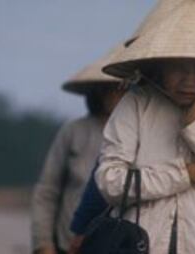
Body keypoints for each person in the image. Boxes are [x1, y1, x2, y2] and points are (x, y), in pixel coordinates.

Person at [75, 1, 195, 253]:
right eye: (178, 67)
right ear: (160, 66)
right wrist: (187, 175)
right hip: (141, 245)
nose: (189, 79)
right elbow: (110, 182)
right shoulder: (136, 105)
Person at [31, 46, 126, 254]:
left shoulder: (138, 135)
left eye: (122, 88)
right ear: (98, 92)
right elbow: (47, 190)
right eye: (109, 89)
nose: (116, 95)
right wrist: (44, 244)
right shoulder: (74, 131)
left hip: (115, 245)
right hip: (68, 244)